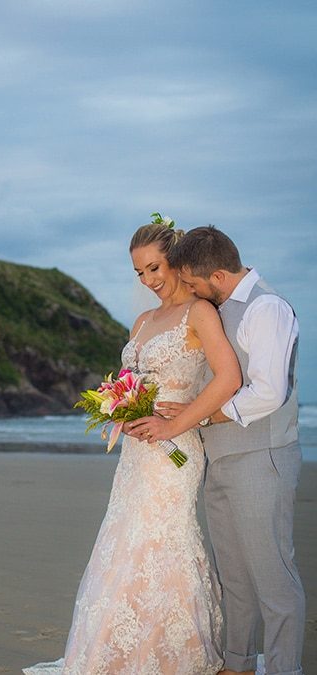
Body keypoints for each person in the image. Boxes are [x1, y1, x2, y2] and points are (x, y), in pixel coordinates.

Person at [23, 220, 241, 674]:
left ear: (176, 259)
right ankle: (120, 650)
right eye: (139, 273)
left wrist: (176, 421)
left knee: (164, 540)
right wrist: (119, 406)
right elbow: (131, 379)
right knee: (123, 541)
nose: (149, 280)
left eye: (155, 267)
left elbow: (228, 379)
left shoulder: (200, 312)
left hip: (175, 450)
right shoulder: (143, 321)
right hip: (136, 452)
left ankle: (177, 653)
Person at [132, 226, 304, 675]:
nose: (186, 291)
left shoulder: (267, 309)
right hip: (218, 457)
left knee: (273, 576)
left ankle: (286, 669)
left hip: (261, 456)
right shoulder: (218, 307)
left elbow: (269, 392)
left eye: (191, 283)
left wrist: (200, 415)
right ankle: (239, 663)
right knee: (234, 574)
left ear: (218, 276)